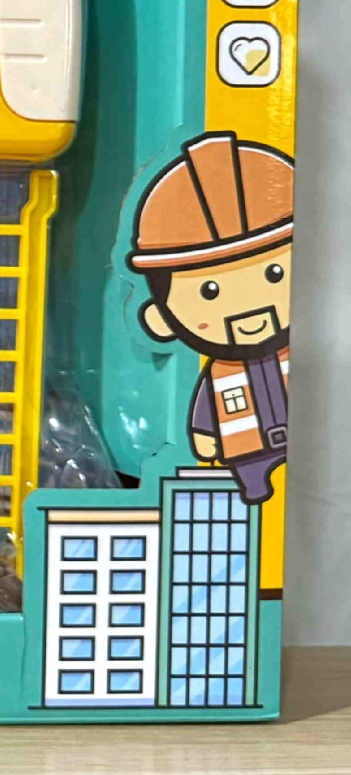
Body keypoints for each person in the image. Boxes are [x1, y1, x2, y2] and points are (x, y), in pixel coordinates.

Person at [126, 131, 292, 505]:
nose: (249, 308)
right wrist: (204, 433)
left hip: (307, 441)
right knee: (253, 488)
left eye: (274, 273)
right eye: (209, 290)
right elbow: (205, 404)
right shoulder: (220, 371)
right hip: (247, 447)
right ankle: (254, 486)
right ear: (161, 316)